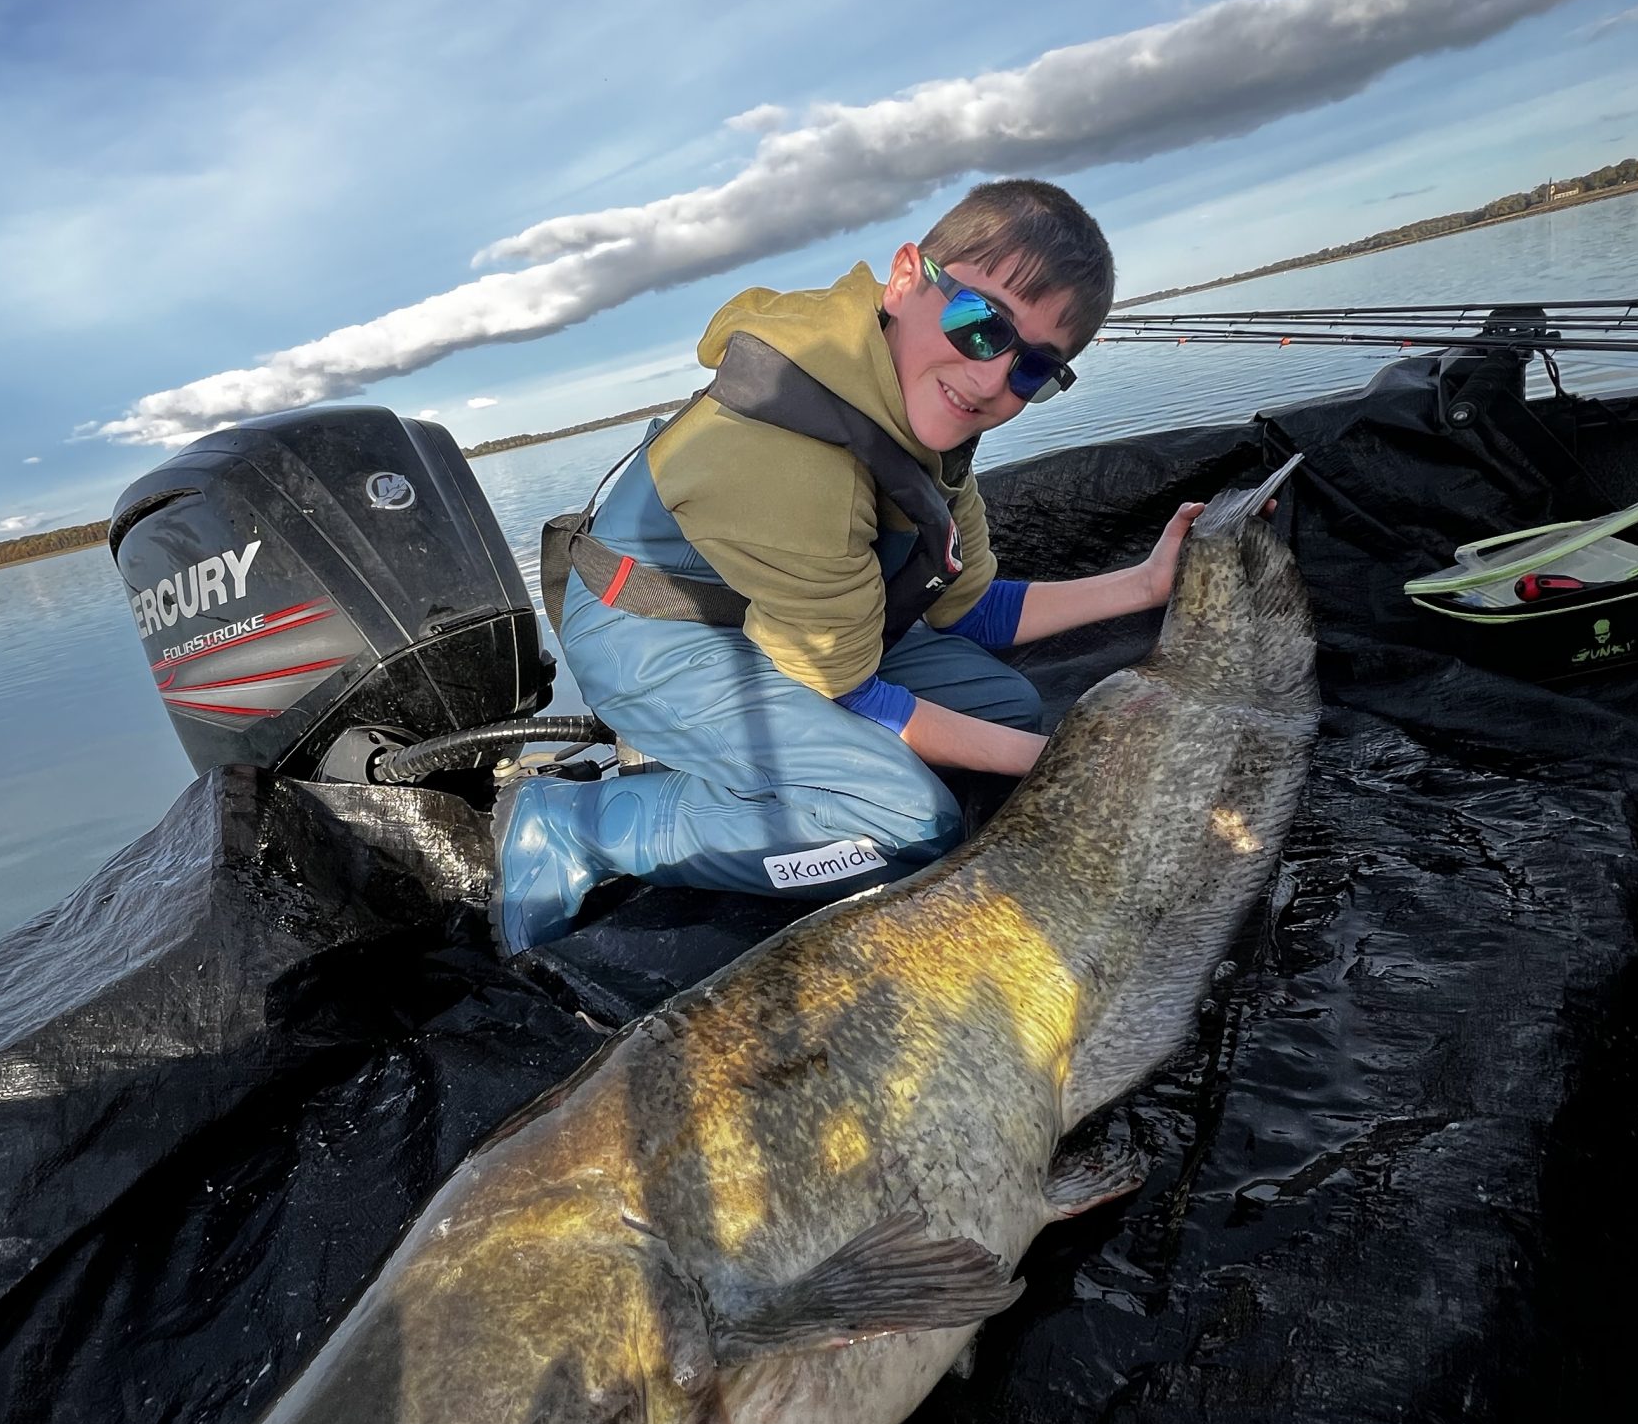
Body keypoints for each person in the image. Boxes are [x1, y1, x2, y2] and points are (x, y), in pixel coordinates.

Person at [493, 176, 1202, 956]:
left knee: (1004, 708)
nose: (995, 378)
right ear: (905, 279)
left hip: (795, 630)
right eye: (980, 324)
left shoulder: (933, 420)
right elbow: (853, 690)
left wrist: (1144, 583)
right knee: (905, 824)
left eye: (1036, 368)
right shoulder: (791, 458)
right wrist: (1067, 766)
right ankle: (575, 826)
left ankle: (750, 769)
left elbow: (967, 609)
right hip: (652, 629)